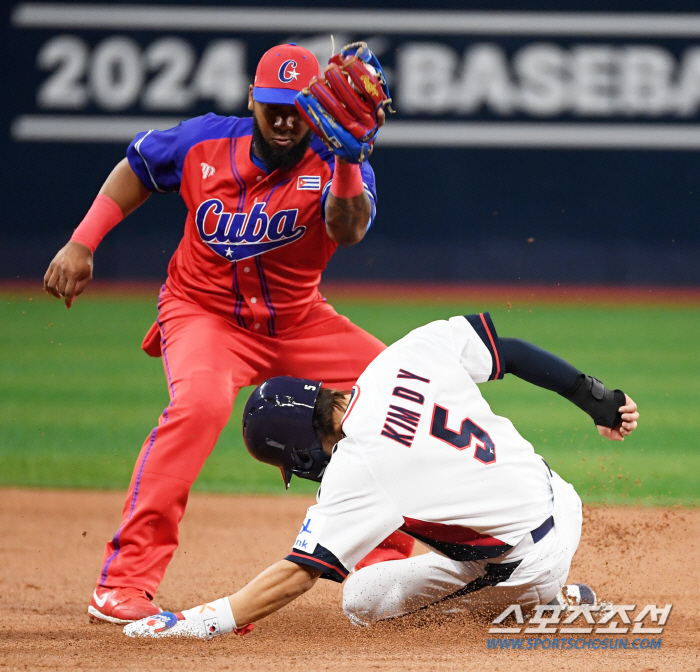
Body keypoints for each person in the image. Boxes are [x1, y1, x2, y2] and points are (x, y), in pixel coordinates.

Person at [42, 43, 414, 625]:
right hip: (203, 313)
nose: (286, 120)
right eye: (273, 108)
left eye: (297, 107)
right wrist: (82, 241)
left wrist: (345, 158)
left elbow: (347, 230)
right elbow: (136, 168)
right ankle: (122, 583)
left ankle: (385, 557)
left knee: (395, 392)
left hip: (297, 319)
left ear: (317, 106)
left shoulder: (339, 156)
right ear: (251, 101)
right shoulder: (204, 141)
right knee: (199, 405)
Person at [122, 311, 639, 639]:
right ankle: (539, 590)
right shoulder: (402, 356)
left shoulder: (357, 465)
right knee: (445, 509)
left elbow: (298, 572)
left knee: (362, 600)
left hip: (531, 564)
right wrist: (595, 399)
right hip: (560, 498)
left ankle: (547, 605)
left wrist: (201, 621)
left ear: (299, 451)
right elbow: (513, 353)